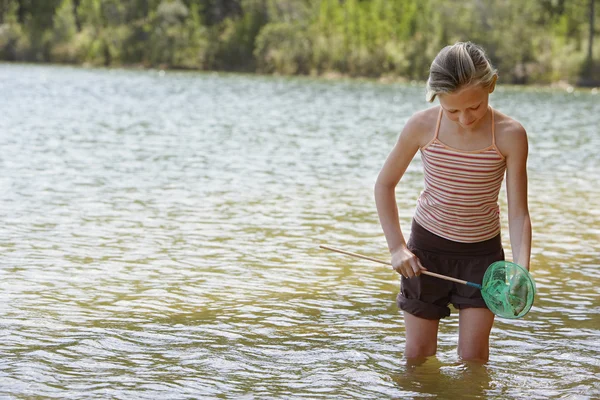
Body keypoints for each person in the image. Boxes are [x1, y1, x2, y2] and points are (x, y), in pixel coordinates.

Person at [374, 42, 531, 362]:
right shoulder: (421, 126)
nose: (464, 118)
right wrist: (397, 248)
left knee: (473, 358)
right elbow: (384, 185)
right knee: (418, 356)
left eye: (474, 107)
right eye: (452, 110)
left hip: (482, 257)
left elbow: (518, 213)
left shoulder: (510, 134)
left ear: (492, 86)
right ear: (437, 98)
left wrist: (521, 270)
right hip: (425, 252)